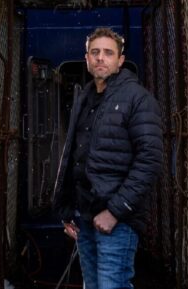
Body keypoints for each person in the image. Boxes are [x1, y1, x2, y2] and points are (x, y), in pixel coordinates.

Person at [53, 27, 163, 289]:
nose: (101, 58)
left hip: (117, 221)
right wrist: (67, 210)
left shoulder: (138, 99)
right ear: (87, 58)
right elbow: (74, 157)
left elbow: (150, 160)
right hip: (85, 216)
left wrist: (114, 211)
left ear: (120, 61)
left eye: (108, 53)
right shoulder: (85, 98)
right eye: (95, 52)